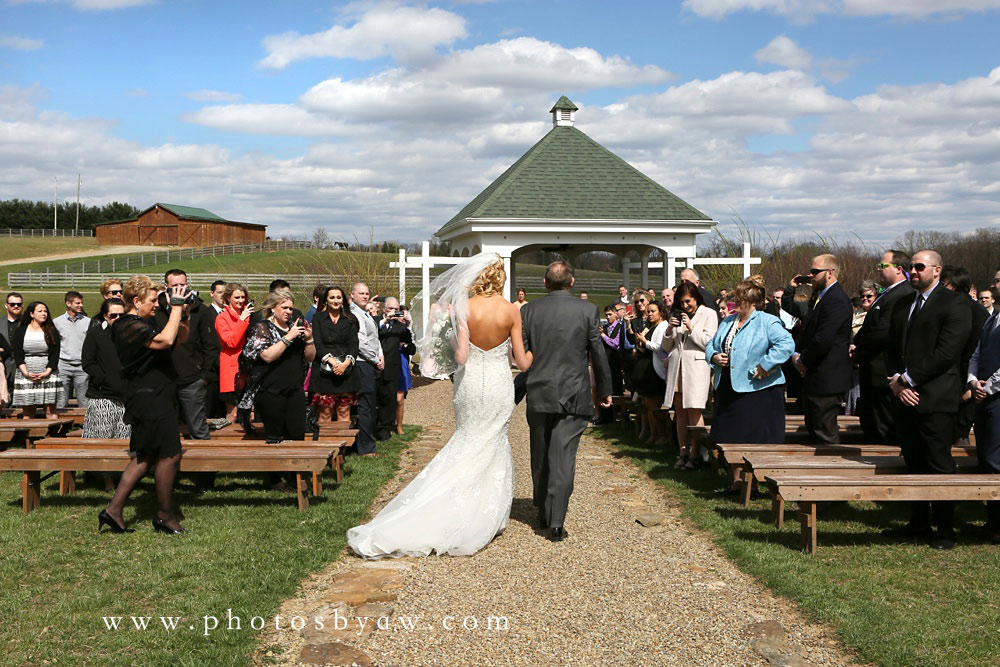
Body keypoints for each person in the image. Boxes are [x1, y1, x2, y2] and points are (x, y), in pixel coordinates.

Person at [347, 254, 533, 556]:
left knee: (468, 438)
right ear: (500, 278)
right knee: (493, 441)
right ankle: (487, 514)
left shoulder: (464, 307)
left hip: (470, 384)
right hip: (499, 386)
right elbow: (521, 362)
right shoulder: (511, 310)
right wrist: (536, 356)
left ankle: (455, 504)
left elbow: (460, 357)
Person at [882, 250, 972, 550]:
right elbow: (892, 348)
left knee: (939, 462)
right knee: (914, 461)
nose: (914, 271)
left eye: (919, 267)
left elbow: (947, 353)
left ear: (937, 270)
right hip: (904, 396)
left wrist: (908, 379)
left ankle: (945, 529)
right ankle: (918, 521)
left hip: (936, 396)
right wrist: (896, 382)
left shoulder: (955, 303)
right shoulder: (904, 303)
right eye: (910, 267)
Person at [521, 260, 610, 542]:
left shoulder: (529, 310)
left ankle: (544, 511)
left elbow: (521, 355)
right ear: (572, 282)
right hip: (573, 392)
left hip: (538, 389)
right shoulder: (587, 310)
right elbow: (597, 352)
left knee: (540, 453)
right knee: (563, 456)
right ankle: (556, 521)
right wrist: (605, 389)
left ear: (544, 283)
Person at [100, 276, 191, 535]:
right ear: (136, 301)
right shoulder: (127, 324)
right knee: (170, 454)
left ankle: (113, 511)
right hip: (149, 398)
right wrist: (173, 309)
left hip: (156, 395)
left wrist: (182, 313)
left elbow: (179, 337)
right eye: (152, 301)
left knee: (144, 456)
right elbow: (164, 342)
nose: (156, 305)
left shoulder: (144, 321)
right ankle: (163, 514)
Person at [706, 277, 795, 489]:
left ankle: (751, 482)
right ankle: (735, 479)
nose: (736, 302)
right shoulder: (728, 321)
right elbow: (711, 343)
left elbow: (786, 344)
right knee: (729, 436)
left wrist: (766, 364)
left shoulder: (766, 321)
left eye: (741, 298)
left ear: (753, 302)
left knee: (750, 437)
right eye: (735, 297)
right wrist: (715, 356)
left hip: (757, 391)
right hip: (728, 387)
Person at [783, 254, 853, 444]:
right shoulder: (821, 297)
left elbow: (824, 338)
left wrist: (802, 361)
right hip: (818, 376)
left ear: (830, 272)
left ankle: (832, 471)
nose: (811, 275)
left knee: (824, 434)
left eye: (815, 271)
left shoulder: (836, 299)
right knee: (815, 430)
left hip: (828, 377)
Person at [239, 290, 315, 453]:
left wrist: (309, 339)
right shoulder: (262, 328)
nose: (289, 312)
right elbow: (267, 356)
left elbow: (309, 357)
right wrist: (288, 337)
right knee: (275, 438)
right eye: (284, 307)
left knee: (296, 435)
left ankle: (295, 476)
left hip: (294, 389)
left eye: (290, 308)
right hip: (271, 390)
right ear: (273, 308)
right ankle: (275, 477)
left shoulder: (294, 328)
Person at [852, 250, 914, 444]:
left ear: (899, 269)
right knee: (871, 425)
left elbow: (883, 331)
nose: (878, 269)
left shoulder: (903, 293)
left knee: (883, 429)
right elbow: (870, 325)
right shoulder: (887, 293)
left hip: (882, 371)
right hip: (872, 370)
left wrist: (859, 353)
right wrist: (855, 344)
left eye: (883, 266)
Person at [661, 281, 718, 469]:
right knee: (680, 411)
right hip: (677, 367)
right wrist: (669, 330)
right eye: (682, 302)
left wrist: (692, 327)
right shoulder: (676, 315)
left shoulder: (708, 314)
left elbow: (710, 343)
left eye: (688, 302)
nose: (685, 306)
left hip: (696, 367)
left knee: (694, 409)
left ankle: (696, 453)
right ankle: (683, 451)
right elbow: (666, 346)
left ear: (696, 299)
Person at [154, 269, 215, 441]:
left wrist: (204, 376)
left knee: (198, 428)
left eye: (183, 285)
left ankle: (204, 467)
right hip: (162, 378)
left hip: (192, 379)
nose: (179, 289)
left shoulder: (200, 310)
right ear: (166, 287)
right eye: (175, 286)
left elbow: (211, 346)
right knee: (163, 426)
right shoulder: (156, 309)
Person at [81, 297, 130, 491]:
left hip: (126, 396)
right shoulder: (95, 334)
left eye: (121, 315)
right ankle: (105, 479)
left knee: (123, 439)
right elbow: (88, 361)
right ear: (104, 316)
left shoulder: (130, 334)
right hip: (103, 396)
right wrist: (104, 379)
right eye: (113, 315)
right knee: (103, 438)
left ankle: (122, 478)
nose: (117, 318)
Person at [940, 266, 990, 444]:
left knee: (957, 438)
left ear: (951, 285)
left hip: (965, 384)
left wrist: (968, 387)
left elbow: (974, 352)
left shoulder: (970, 311)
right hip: (957, 382)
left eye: (942, 284)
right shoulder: (973, 310)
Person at [968, 284, 1000, 543]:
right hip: (984, 397)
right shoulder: (993, 319)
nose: (995, 284)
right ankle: (993, 521)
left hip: (995, 396)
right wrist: (973, 380)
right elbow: (976, 353)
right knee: (986, 457)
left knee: (996, 459)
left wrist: (988, 386)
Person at [310, 286, 360, 424]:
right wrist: (333, 362)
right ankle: (324, 445)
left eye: (339, 297)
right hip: (324, 371)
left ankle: (344, 445)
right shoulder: (318, 318)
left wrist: (345, 364)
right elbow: (318, 343)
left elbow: (354, 344)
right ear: (326, 299)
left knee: (344, 411)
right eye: (332, 297)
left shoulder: (350, 319)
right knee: (325, 412)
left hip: (346, 371)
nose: (336, 301)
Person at [11, 301, 64, 418]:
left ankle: (53, 435)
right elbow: (18, 354)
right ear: (31, 314)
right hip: (26, 372)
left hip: (48, 373)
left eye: (45, 311)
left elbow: (55, 354)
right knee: (28, 412)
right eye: (40, 311)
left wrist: (47, 372)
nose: (43, 314)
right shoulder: (21, 331)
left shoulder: (52, 330)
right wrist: (26, 373)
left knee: (51, 412)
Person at [375, 297, 415, 439]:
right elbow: (373, 334)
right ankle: (374, 425)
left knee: (390, 399)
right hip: (375, 366)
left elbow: (410, 344)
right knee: (374, 398)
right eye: (390, 309)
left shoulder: (400, 326)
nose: (393, 312)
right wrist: (385, 321)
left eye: (396, 310)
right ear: (384, 309)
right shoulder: (376, 321)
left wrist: (409, 323)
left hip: (392, 367)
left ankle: (385, 428)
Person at [351, 282, 383, 457]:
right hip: (362, 362)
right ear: (352, 295)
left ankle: (367, 443)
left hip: (370, 360)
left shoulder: (365, 314)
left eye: (366, 293)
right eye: (361, 293)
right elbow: (361, 342)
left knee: (370, 405)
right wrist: (375, 359)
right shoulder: (355, 314)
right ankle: (365, 447)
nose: (364, 296)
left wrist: (380, 355)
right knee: (366, 406)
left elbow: (374, 337)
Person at [215, 282, 254, 423]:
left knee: (251, 413)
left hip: (250, 368)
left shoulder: (250, 314)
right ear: (228, 298)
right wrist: (242, 320)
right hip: (232, 369)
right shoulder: (222, 318)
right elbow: (231, 341)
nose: (241, 301)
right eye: (237, 297)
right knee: (233, 414)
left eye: (243, 297)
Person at [633, 300, 670, 446]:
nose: (649, 314)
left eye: (652, 311)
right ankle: (653, 434)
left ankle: (661, 434)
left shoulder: (663, 326)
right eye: (648, 311)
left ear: (660, 312)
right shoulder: (652, 327)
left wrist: (645, 341)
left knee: (653, 403)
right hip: (647, 367)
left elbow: (661, 348)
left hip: (656, 370)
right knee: (647, 403)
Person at [53, 290, 91, 409]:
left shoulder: (88, 322)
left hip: (81, 365)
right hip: (63, 364)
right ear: (68, 304)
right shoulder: (57, 322)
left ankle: (85, 426)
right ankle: (60, 427)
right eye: (77, 303)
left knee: (84, 400)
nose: (81, 305)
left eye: (81, 303)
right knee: (61, 399)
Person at [845, 280, 876, 416]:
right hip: (852, 361)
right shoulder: (856, 315)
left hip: (864, 359)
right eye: (862, 296)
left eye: (869, 296)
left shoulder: (876, 314)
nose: (865, 298)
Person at [203, 279, 226, 420]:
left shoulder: (230, 314)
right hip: (211, 372)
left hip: (226, 371)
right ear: (212, 294)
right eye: (220, 292)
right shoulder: (206, 313)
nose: (223, 296)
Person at [600, 304, 625, 397]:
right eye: (606, 315)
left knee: (616, 383)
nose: (608, 317)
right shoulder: (605, 328)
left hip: (616, 360)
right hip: (605, 359)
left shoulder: (620, 327)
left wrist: (603, 335)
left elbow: (615, 344)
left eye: (610, 314)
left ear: (615, 314)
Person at [4, 292, 22, 402]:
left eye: (19, 304)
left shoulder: (29, 323)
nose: (16, 306)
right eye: (12, 304)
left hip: (21, 367)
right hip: (3, 365)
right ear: (6, 305)